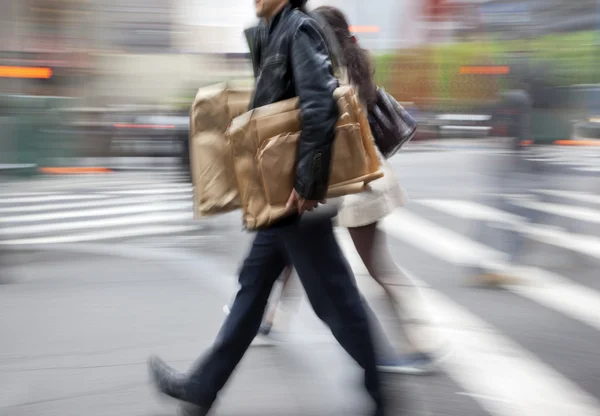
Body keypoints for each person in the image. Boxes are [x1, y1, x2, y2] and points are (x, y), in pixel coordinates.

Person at [147, 1, 385, 415]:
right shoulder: (275, 30)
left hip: (296, 197)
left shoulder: (298, 29)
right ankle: (203, 388)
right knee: (252, 288)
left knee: (336, 301)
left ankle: (382, 392)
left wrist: (307, 182)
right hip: (279, 196)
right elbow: (278, 104)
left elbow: (319, 106)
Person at [252, 5, 438, 375]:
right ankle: (273, 317)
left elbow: (323, 123)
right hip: (358, 177)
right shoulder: (357, 64)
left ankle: (418, 341)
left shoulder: (330, 71)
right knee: (297, 250)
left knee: (373, 266)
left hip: (352, 180)